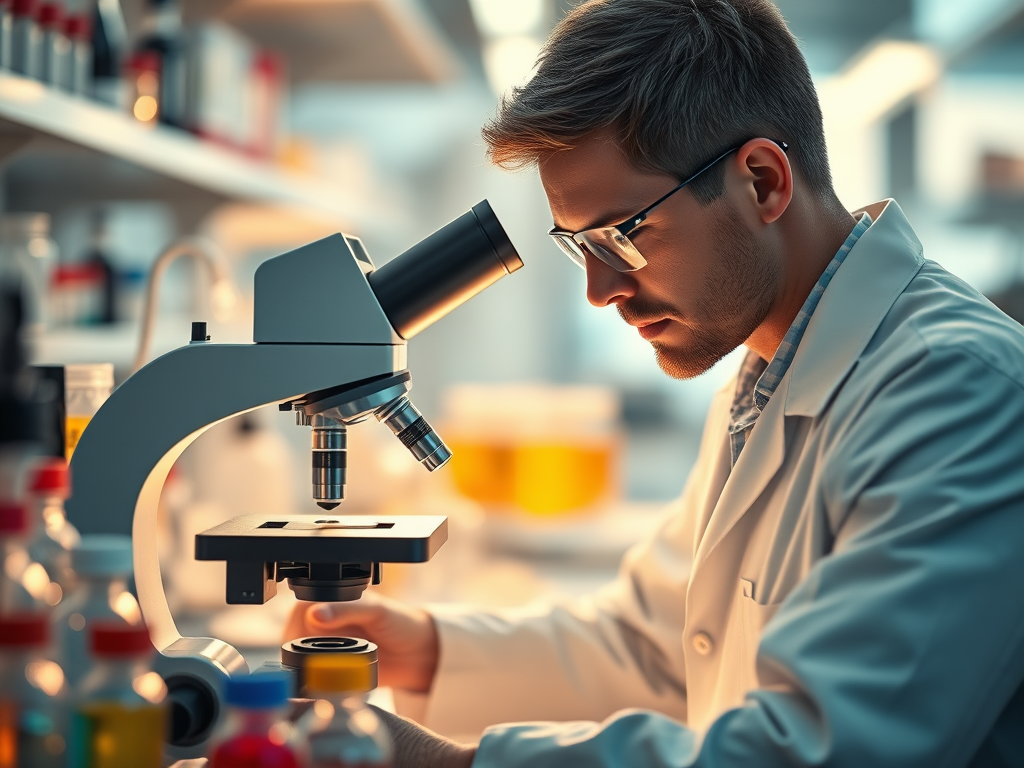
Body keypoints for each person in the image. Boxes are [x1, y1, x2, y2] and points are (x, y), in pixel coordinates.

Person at [286, 1, 1024, 765]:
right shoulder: (771, 373)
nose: (598, 291)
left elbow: (825, 750)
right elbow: (659, 645)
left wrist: (450, 762)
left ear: (763, 182)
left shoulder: (956, 392)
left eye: (621, 236)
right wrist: (425, 651)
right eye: (579, 246)